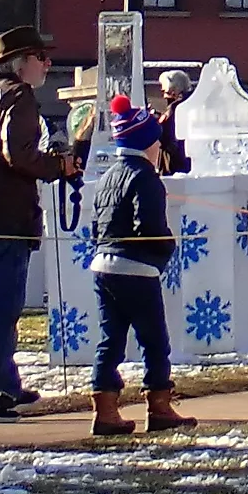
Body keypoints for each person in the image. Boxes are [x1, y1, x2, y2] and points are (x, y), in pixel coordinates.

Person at [0, 23, 76, 421]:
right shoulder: (17, 96)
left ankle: (5, 384)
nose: (48, 64)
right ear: (22, 64)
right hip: (4, 213)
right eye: (42, 58)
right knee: (0, 309)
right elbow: (19, 155)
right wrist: (60, 165)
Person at [86, 106, 191, 436]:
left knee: (110, 339)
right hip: (137, 268)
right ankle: (159, 405)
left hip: (103, 265)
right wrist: (167, 248)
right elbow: (149, 226)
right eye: (157, 143)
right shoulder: (147, 178)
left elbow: (95, 225)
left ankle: (105, 410)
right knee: (154, 341)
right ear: (148, 144)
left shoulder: (108, 177)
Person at [153, 69, 193, 175]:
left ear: (174, 89)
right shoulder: (193, 104)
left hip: (174, 164)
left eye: (165, 91)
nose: (164, 96)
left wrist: (152, 120)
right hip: (191, 161)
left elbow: (161, 133)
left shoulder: (175, 107)